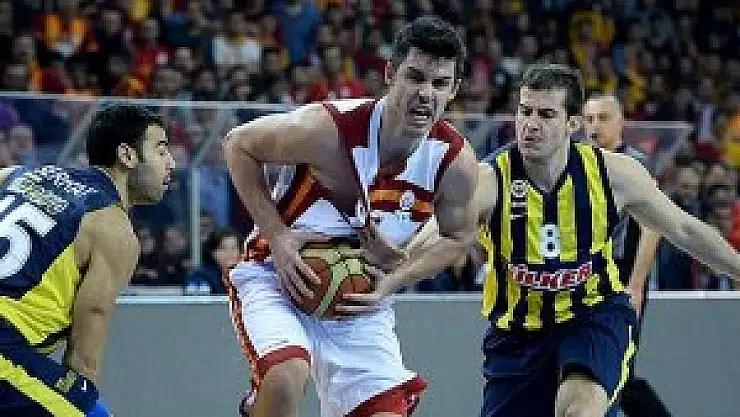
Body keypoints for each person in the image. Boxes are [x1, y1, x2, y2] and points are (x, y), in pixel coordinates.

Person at [375, 63, 740, 417]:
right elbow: (438, 233)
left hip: (592, 315)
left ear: (572, 123)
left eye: (546, 115)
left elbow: (684, 229)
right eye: (525, 111)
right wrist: (384, 268)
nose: (530, 124)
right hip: (517, 335)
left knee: (579, 409)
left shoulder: (614, 174)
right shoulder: (491, 179)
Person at [222, 15, 479, 417]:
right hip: (279, 275)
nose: (425, 94)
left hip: (358, 299)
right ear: (390, 74)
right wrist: (278, 236)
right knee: (286, 380)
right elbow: (238, 144)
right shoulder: (328, 128)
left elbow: (458, 237)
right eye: (415, 78)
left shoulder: (455, 162)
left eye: (439, 83)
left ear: (454, 89)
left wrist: (393, 277)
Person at [0, 105, 174, 416]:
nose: (171, 162)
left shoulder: (21, 175)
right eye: (161, 150)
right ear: (127, 155)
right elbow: (84, 356)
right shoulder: (114, 230)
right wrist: (79, 400)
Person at [583, 94, 671, 416]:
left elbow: (653, 227)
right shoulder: (577, 163)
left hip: (621, 273)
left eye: (603, 118)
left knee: (620, 368)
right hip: (585, 273)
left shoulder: (636, 165)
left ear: (621, 122)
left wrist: (635, 285)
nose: (595, 127)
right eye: (590, 119)